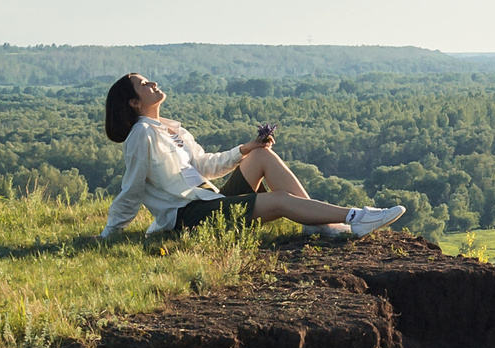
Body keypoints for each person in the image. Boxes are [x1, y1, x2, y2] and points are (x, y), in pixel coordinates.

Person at [97, 73, 404, 241]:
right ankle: (357, 217)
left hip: (210, 201)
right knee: (280, 200)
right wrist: (109, 234)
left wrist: (248, 148)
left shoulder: (171, 129)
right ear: (135, 102)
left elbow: (204, 166)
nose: (152, 83)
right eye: (143, 84)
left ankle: (316, 224)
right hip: (187, 217)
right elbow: (132, 188)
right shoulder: (141, 134)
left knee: (263, 158)